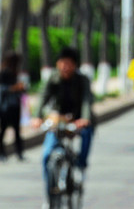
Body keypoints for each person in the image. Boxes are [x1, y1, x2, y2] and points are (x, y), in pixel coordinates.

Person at [31, 46, 95, 206]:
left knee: (87, 134)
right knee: (46, 156)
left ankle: (81, 165)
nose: (65, 67)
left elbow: (87, 101)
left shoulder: (82, 80)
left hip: (78, 119)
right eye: (62, 63)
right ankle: (49, 194)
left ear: (75, 65)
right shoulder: (52, 78)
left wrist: (84, 119)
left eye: (69, 64)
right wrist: (37, 117)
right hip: (59, 120)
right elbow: (42, 98)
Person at [0, 50, 27, 161]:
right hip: (5, 106)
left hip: (15, 105)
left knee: (17, 130)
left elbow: (22, 90)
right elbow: (0, 88)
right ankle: (1, 153)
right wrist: (13, 88)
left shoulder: (17, 73)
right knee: (3, 130)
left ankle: (19, 152)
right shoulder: (4, 72)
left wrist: (21, 88)